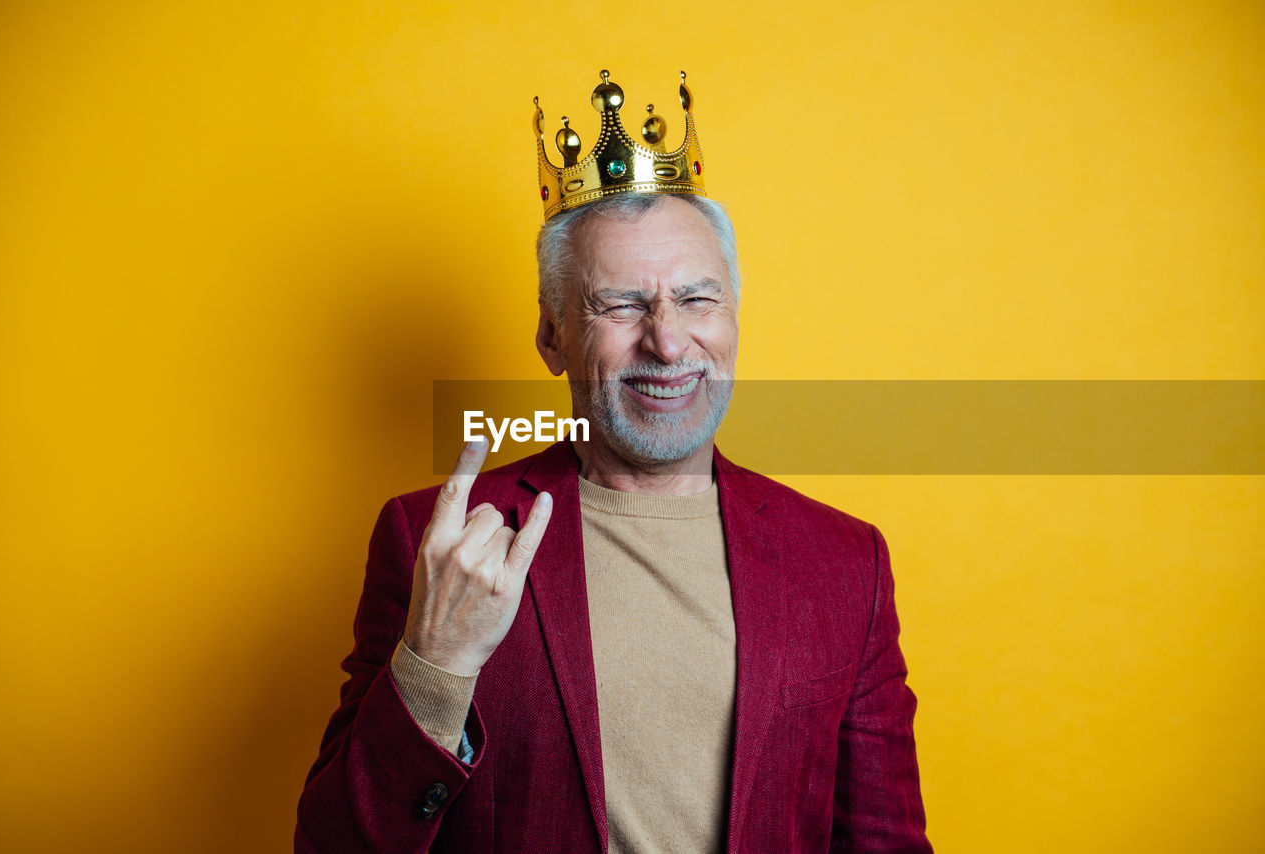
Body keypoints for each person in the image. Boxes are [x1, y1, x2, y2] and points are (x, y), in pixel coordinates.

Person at [295, 70, 930, 853]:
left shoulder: (843, 562)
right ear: (553, 336)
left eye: (697, 300)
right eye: (621, 305)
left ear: (734, 317)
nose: (667, 342)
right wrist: (435, 664)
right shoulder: (435, 540)